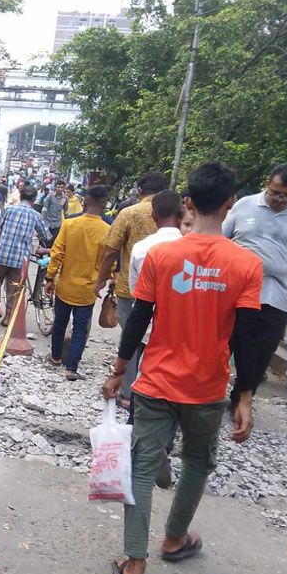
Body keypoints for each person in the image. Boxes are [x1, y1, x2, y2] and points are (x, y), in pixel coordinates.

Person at [102, 161, 262, 574]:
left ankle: (134, 562)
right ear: (230, 203)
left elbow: (139, 322)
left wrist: (119, 370)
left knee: (142, 465)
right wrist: (244, 396)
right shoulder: (247, 264)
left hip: (155, 381)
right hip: (208, 387)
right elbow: (248, 337)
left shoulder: (161, 255)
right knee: (197, 462)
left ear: (188, 203)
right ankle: (174, 539)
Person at [223, 163, 287, 411]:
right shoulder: (245, 205)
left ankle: (242, 398)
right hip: (235, 289)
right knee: (224, 342)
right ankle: (206, 393)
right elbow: (221, 239)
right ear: (267, 184)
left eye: (286, 195)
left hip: (277, 295)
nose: (279, 199)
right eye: (275, 192)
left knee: (262, 350)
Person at [124, 190, 190, 488]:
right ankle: (165, 442)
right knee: (176, 387)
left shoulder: (142, 248)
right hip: (184, 333)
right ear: (182, 215)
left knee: (144, 380)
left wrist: (117, 366)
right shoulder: (192, 249)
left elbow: (140, 298)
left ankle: (138, 439)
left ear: (153, 215)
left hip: (149, 331)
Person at [95, 171, 166, 408]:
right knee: (158, 340)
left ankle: (128, 391)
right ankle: (155, 389)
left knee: (132, 338)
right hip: (168, 292)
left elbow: (111, 249)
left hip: (131, 287)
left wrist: (101, 278)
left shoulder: (130, 213)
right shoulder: (177, 214)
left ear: (140, 190)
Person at [44, 185, 111, 380]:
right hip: (88, 289)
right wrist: (104, 281)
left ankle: (56, 357)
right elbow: (109, 260)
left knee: (60, 322)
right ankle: (72, 368)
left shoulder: (70, 224)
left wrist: (49, 278)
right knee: (80, 328)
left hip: (65, 285)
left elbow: (57, 253)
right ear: (105, 204)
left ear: (85, 201)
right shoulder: (107, 230)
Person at [0, 185, 48, 325]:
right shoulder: (36, 215)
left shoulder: (9, 209)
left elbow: (1, 227)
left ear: (20, 196)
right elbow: (45, 234)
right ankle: (8, 317)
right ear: (34, 199)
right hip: (21, 259)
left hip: (2, 253)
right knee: (14, 288)